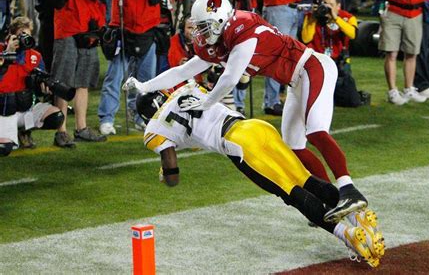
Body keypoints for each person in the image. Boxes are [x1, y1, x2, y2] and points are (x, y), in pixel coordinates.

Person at [124, 0, 369, 223]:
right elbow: (183, 71)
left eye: (203, 26)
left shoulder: (244, 28)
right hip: (295, 80)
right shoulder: (219, 40)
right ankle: (330, 200)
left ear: (220, 20)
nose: (199, 33)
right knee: (295, 146)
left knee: (315, 130)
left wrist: (208, 101)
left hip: (312, 67)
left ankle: (349, 189)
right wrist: (145, 86)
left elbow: (230, 78)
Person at [138, 83, 385, 268]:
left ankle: (349, 235)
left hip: (237, 144)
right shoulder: (187, 87)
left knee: (292, 193)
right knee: (306, 179)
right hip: (256, 127)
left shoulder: (153, 128)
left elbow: (172, 174)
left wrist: (166, 173)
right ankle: (359, 217)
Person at [97, 0, 162, 136]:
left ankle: (142, 116)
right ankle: (106, 119)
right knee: (115, 77)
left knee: (146, 80)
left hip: (148, 26)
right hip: (122, 26)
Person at [0, 16, 64, 156]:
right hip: (4, 109)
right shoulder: (1, 51)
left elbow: (40, 84)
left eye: (27, 36)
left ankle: (24, 131)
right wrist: (8, 53)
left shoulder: (35, 56)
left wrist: (43, 88)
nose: (25, 40)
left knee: (56, 116)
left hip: (25, 107)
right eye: (21, 35)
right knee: (5, 149)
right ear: (11, 36)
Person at [51, 0, 107, 148]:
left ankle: (81, 128)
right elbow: (56, 0)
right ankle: (61, 131)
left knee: (84, 82)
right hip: (68, 26)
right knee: (62, 83)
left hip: (90, 25)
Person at [302, 0, 370, 107]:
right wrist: (314, 18)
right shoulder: (311, 17)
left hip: (338, 62)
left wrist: (335, 18)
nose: (327, 7)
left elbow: (352, 34)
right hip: (317, 61)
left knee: (351, 100)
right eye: (324, 3)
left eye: (331, 5)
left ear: (338, 6)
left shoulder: (348, 17)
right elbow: (306, 38)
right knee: (318, 98)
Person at [379, 0, 428, 105]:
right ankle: (392, 91)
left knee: (412, 53)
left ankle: (409, 88)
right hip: (393, 10)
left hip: (415, 12)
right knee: (391, 53)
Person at [261, 0, 302, 116]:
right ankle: (271, 102)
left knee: (289, 57)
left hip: (294, 8)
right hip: (278, 8)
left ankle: (276, 99)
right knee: (277, 56)